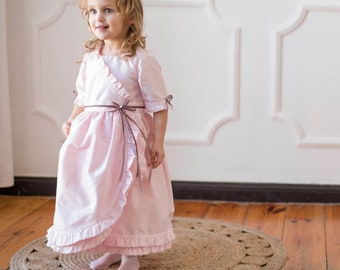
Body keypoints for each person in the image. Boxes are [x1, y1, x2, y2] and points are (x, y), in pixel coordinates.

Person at [46, 0, 175, 269]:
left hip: (129, 141)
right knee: (99, 193)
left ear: (129, 17)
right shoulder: (92, 59)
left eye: (107, 10)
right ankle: (112, 247)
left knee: (131, 196)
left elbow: (158, 106)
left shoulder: (141, 60)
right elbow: (82, 98)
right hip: (95, 143)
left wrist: (157, 142)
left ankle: (130, 253)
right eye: (92, 11)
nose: (98, 17)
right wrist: (72, 119)